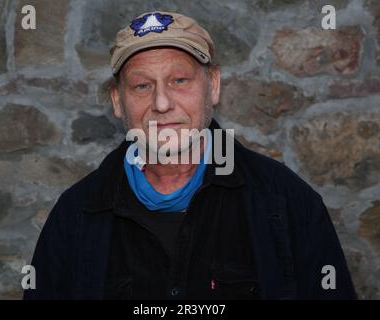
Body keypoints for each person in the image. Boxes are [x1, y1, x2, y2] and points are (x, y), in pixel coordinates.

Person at [24, 11, 356, 300]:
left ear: (212, 84)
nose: (163, 103)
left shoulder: (283, 201)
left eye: (179, 80)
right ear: (117, 101)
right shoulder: (76, 215)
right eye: (142, 86)